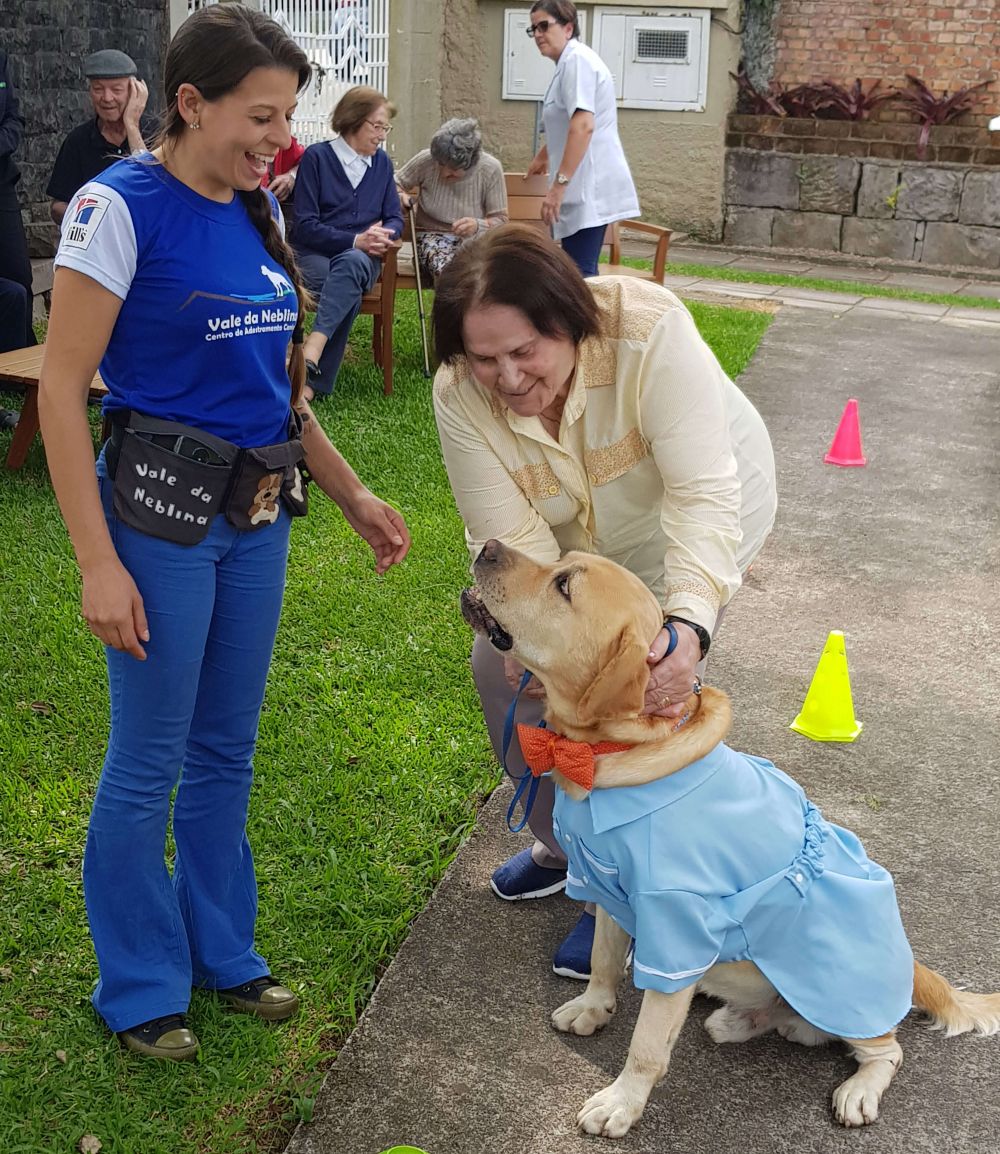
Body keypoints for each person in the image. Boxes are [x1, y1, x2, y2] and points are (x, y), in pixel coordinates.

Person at [38, 3, 410, 1062]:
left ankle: (222, 950)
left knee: (224, 749)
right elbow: (63, 393)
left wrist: (352, 494)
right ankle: (143, 983)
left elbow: (282, 392)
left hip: (255, 521)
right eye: (258, 116)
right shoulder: (119, 208)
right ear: (189, 104)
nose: (275, 139)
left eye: (286, 116)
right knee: (149, 755)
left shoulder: (261, 211)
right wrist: (97, 562)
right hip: (157, 522)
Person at [431, 224, 776, 979]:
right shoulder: (461, 394)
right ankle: (570, 854)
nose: (510, 377)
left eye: (525, 351)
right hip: (575, 550)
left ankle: (631, 895)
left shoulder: (649, 332)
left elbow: (700, 497)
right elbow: (510, 543)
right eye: (485, 359)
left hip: (694, 519)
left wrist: (687, 623)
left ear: (568, 317)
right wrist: (534, 644)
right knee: (502, 674)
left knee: (652, 692)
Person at [292, 86, 402, 401]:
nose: (382, 135)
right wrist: (356, 239)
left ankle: (312, 348)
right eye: (377, 126)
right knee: (346, 287)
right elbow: (305, 226)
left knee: (352, 265)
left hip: (364, 260)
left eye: (385, 127)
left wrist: (385, 235)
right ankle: (313, 384)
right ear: (353, 120)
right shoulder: (317, 158)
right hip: (317, 256)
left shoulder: (382, 164)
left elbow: (395, 218)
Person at [525, 0, 639, 277]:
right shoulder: (567, 63)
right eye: (532, 29)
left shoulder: (577, 61)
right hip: (582, 184)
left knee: (580, 275)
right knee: (575, 273)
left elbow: (584, 125)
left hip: (589, 185)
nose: (538, 34)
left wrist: (558, 188)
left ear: (568, 27)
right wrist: (542, 157)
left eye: (544, 26)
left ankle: (590, 322)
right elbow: (565, 124)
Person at [47, 49, 153, 225]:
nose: (107, 98)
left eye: (116, 90)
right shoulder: (78, 140)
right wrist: (97, 218)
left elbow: (151, 189)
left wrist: (132, 126)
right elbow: (58, 206)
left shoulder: (158, 132)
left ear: (135, 92)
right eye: (98, 89)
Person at [395, 118, 508, 281]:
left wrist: (478, 225)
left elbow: (501, 220)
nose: (444, 173)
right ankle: (452, 305)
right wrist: (401, 197)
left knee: (481, 270)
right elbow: (394, 184)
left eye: (453, 169)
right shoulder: (426, 160)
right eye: (440, 164)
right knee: (451, 273)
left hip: (474, 240)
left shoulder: (490, 169)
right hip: (430, 237)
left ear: (471, 162)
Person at [0, 51, 36, 428]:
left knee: (19, 282)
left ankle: (20, 372)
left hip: (1, 182)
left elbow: (13, 116)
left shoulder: (1, 58)